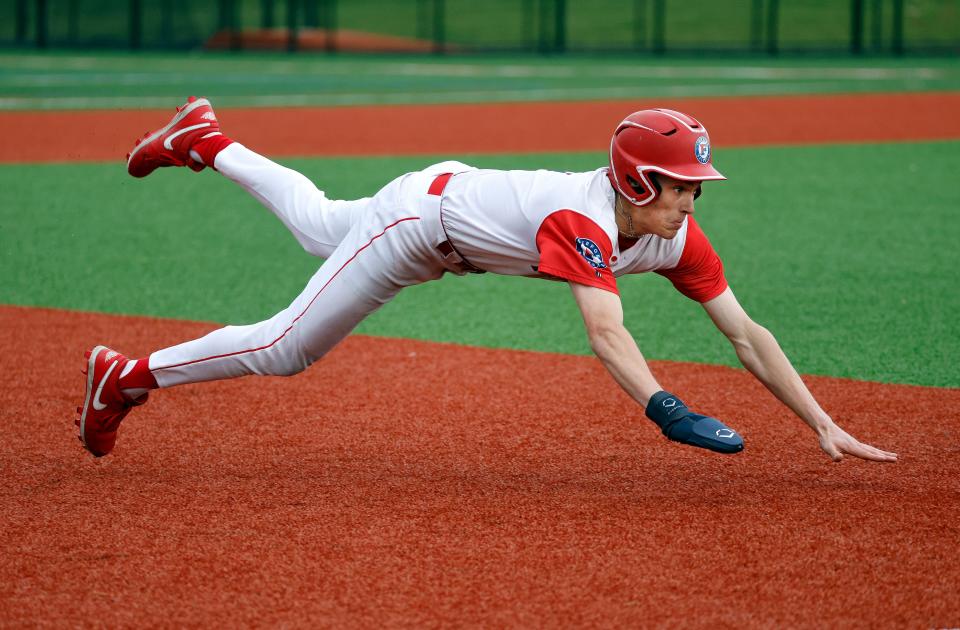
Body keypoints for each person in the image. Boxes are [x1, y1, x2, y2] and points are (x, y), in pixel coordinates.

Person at [76, 97, 897, 464]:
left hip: (443, 200)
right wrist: (668, 411)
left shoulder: (677, 240)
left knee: (321, 224)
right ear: (638, 182)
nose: (693, 197)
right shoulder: (584, 219)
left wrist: (820, 423)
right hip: (421, 229)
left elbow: (747, 334)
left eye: (694, 185)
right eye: (682, 184)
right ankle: (125, 375)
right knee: (290, 345)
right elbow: (606, 333)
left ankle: (207, 141)